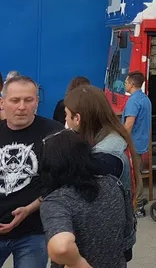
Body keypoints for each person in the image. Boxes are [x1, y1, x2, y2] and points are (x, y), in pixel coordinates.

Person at [40, 130, 135, 268]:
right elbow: (128, 238)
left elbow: (61, 247)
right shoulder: (113, 183)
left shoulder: (57, 201)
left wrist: (79, 263)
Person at [0, 76, 63, 267]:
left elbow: (61, 182)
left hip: (34, 232)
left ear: (37, 101)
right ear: (2, 102)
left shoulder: (55, 133)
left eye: (28, 100)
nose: (22, 106)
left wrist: (29, 209)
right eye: (15, 100)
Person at [65, 84, 139, 201]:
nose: (66, 119)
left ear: (77, 118)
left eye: (67, 115)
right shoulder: (113, 135)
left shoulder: (105, 155)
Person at [121, 72, 152, 215]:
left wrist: (120, 140)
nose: (125, 84)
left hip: (132, 144)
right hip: (141, 143)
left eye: (126, 82)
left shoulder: (133, 101)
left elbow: (129, 124)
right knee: (137, 173)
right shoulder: (145, 99)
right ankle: (138, 202)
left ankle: (137, 205)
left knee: (134, 176)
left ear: (131, 84)